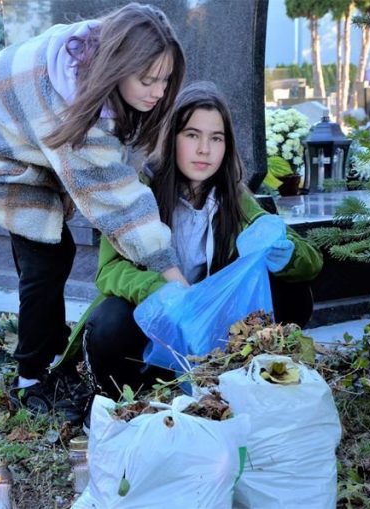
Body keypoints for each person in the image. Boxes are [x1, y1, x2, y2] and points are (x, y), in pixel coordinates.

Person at [0, 3, 187, 422]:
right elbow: (116, 200)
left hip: (15, 129)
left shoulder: (95, 56)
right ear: (119, 65)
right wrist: (168, 269)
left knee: (55, 254)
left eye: (165, 80)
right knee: (45, 259)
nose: (158, 91)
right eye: (148, 80)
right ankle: (31, 381)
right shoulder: (69, 100)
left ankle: (51, 359)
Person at [68, 81, 324, 397]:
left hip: (210, 331)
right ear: (171, 138)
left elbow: (311, 263)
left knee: (294, 291)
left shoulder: (233, 199)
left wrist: (286, 254)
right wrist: (163, 290)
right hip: (153, 326)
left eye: (216, 138)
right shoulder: (139, 193)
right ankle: (117, 394)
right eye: (192, 135)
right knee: (109, 321)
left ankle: (254, 376)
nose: (205, 149)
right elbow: (108, 271)